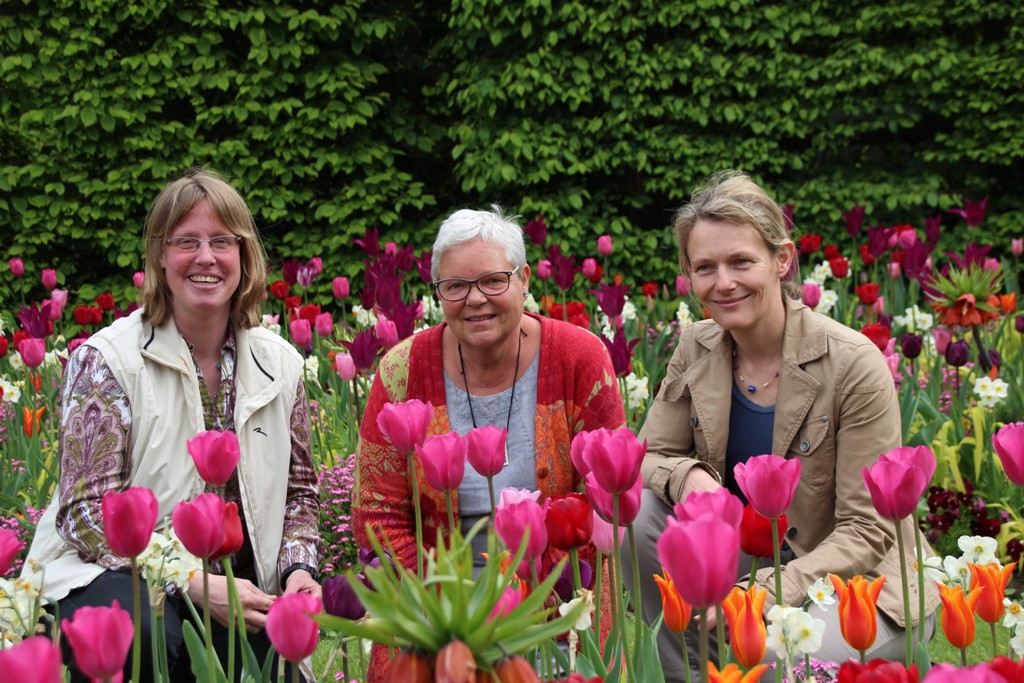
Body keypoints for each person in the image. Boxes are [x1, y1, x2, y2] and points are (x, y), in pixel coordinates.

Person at [624, 171, 940, 681]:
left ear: (782, 260)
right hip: (752, 564)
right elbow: (649, 457)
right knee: (637, 516)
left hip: (860, 584)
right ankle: (686, 673)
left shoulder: (853, 364)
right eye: (705, 267)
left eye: (741, 261)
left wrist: (765, 593)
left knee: (774, 657)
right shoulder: (696, 348)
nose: (722, 283)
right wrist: (689, 477)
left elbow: (867, 531)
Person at [25, 168, 322, 682]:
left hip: (239, 585)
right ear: (160, 257)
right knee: (145, 631)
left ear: (244, 256)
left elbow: (299, 493)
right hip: (115, 576)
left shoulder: (281, 365)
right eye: (186, 242)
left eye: (221, 242)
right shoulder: (109, 360)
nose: (205, 258)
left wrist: (299, 570)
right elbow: (85, 511)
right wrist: (188, 578)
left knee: (266, 664)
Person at [353, 206, 626, 681]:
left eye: (493, 281)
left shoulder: (580, 358)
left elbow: (606, 496)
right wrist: (452, 612)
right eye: (455, 286)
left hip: (560, 601)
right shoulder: (401, 372)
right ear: (439, 293)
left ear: (524, 280)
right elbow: (376, 516)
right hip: (437, 610)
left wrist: (530, 595)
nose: (475, 299)